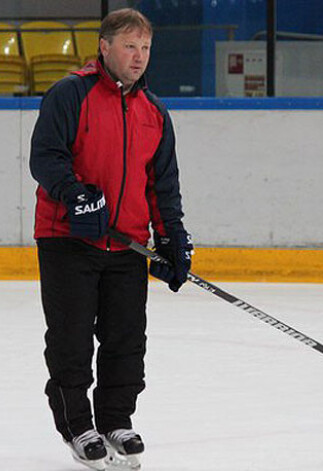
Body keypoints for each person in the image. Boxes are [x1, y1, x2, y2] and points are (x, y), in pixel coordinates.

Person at [29, 8, 193, 470]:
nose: (139, 57)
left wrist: (172, 239)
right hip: (67, 241)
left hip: (126, 246)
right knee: (71, 341)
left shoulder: (154, 113)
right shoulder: (70, 94)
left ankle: (116, 418)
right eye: (129, 46)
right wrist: (77, 197)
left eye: (145, 48)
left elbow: (163, 185)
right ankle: (78, 425)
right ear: (104, 47)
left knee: (126, 340)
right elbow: (45, 157)